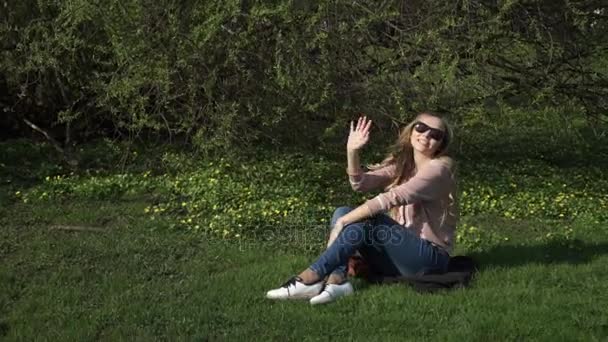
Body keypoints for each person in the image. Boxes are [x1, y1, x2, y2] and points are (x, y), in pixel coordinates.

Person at [266, 113, 458, 305]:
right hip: (399, 255)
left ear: (440, 144)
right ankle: (337, 281)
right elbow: (360, 183)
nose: (426, 135)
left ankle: (309, 278)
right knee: (343, 210)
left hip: (429, 260)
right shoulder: (404, 166)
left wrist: (343, 222)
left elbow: (391, 198)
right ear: (411, 131)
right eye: (421, 128)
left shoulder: (439, 169)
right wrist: (352, 151)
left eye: (435, 134)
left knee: (362, 217)